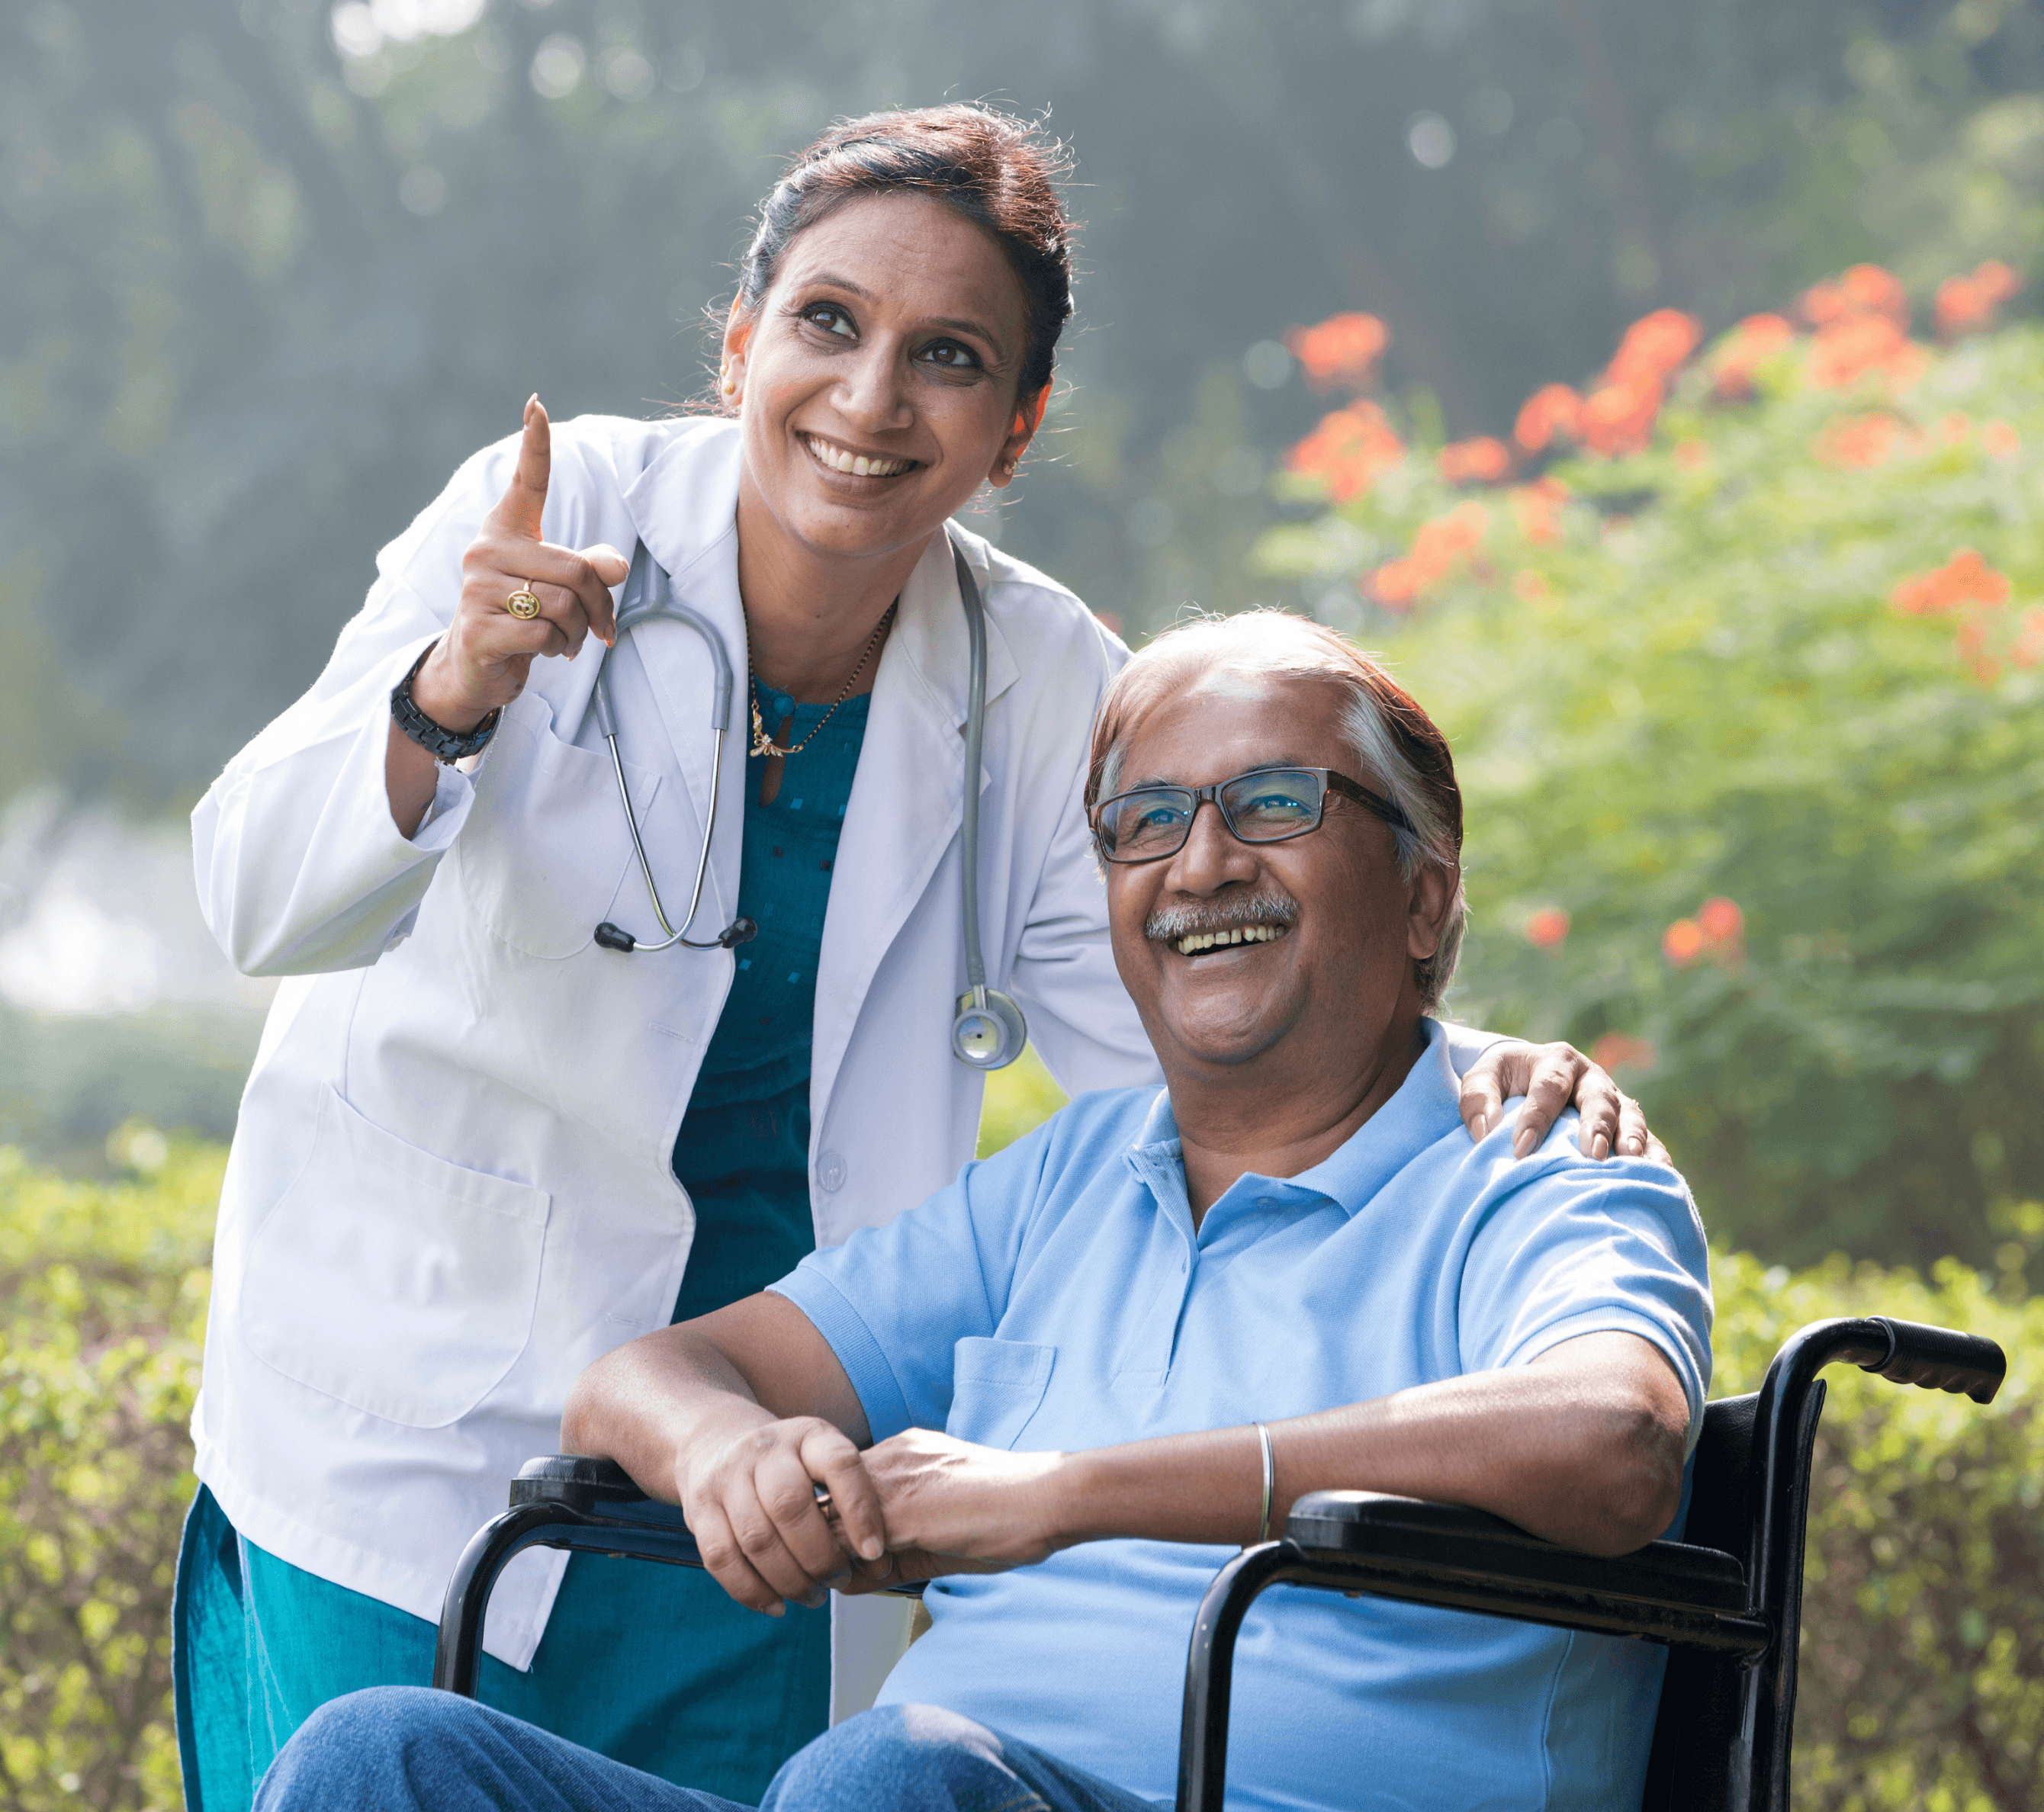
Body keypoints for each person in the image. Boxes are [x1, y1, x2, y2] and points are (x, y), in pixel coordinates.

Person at [182, 106, 1663, 1807]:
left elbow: (1236, 1009)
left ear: (1017, 425)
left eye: (947, 357)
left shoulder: (1042, 684)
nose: (871, 398)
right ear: (739, 344)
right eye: (826, 324)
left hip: (777, 1474)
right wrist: (453, 691)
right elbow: (257, 897)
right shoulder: (550, 511)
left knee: (854, 1779)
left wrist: (1473, 1072)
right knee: (378, 1757)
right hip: (428, 1394)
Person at [252, 612, 1711, 1812]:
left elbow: (1616, 1438)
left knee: (883, 1780)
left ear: (1422, 896)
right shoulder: (1069, 1186)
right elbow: (649, 1378)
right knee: (381, 1762)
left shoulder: (1537, 1158)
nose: (1201, 863)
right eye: (1147, 823)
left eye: (1274, 804)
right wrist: (731, 1452)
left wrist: (1062, 1492)